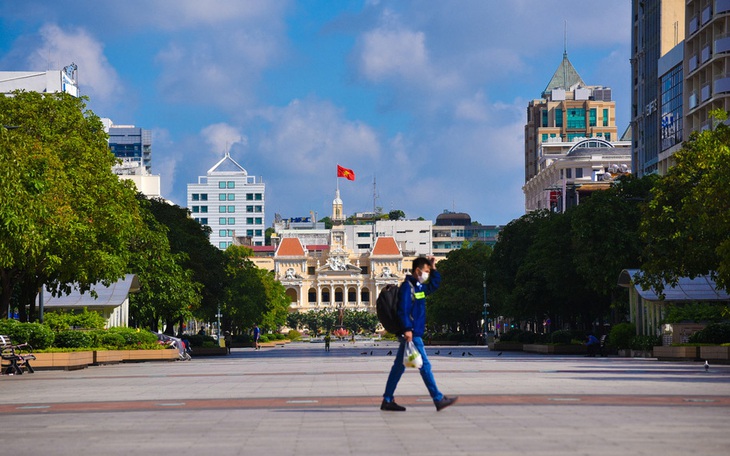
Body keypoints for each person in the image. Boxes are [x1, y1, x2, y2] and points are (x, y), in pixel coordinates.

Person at [381, 256, 458, 412]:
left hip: (414, 332)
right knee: (425, 366)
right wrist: (407, 329)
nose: (427, 274)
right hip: (412, 333)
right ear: (418, 270)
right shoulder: (407, 288)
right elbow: (403, 310)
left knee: (398, 368)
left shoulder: (419, 288)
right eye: (426, 271)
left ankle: (387, 399)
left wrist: (434, 269)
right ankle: (438, 398)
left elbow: (434, 286)